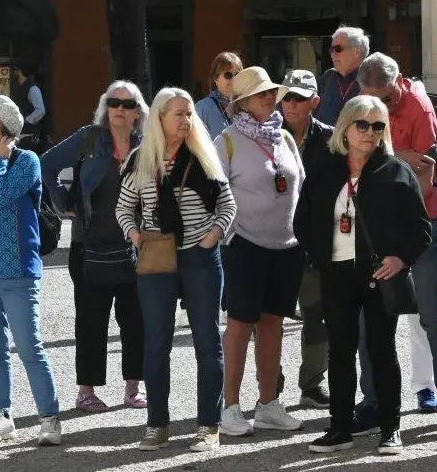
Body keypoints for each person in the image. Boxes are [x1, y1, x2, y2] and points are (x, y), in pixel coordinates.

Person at [294, 95, 432, 455]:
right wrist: (319, 257)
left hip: (379, 274)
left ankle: (390, 429)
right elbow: (302, 221)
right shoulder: (325, 171)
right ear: (346, 126)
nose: (371, 133)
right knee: (339, 351)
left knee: (382, 351)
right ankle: (340, 428)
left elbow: (420, 228)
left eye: (378, 126)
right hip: (336, 273)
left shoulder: (396, 171)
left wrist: (401, 259)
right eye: (363, 125)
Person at [117, 87, 235, 452]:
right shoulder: (140, 160)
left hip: (200, 257)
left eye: (189, 114)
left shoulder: (202, 155)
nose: (186, 120)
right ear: (159, 118)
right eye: (178, 114)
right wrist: (135, 236)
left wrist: (212, 237)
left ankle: (208, 426)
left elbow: (227, 204)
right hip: (157, 255)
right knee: (156, 343)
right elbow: (123, 207)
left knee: (207, 340)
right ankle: (157, 424)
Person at [358, 52, 437, 440]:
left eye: (385, 99)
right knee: (369, 320)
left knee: (433, 316)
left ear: (398, 82)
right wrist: (397, 156)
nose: (379, 107)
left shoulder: (418, 106)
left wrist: (387, 158)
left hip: (421, 223)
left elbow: (425, 172)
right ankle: (372, 404)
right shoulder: (363, 106)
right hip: (374, 229)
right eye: (371, 99)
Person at [41, 80, 148, 413]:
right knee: (90, 322)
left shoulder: (145, 146)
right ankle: (85, 391)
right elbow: (46, 165)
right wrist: (64, 202)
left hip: (133, 248)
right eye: (114, 102)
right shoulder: (90, 138)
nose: (120, 109)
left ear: (138, 113)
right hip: (88, 247)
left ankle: (133, 387)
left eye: (128, 105)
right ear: (106, 106)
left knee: (136, 320)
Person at [0, 93, 61, 446]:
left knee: (29, 347)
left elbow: (2, 198)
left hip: (18, 271)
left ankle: (49, 418)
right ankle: (1, 415)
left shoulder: (27, 161)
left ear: (2, 124)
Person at [215, 67, 307, 437]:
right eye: (260, 94)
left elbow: (300, 184)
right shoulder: (226, 141)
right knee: (239, 326)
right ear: (241, 103)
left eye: (271, 92)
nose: (270, 98)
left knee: (273, 324)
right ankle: (231, 407)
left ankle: (268, 404)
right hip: (245, 246)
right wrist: (231, 234)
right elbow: (216, 195)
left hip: (287, 246)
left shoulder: (284, 136)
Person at [279, 69, 332, 409]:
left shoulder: (331, 141)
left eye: (299, 98)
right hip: (273, 240)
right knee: (266, 318)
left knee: (317, 315)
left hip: (312, 244)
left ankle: (312, 385)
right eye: (287, 97)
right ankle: (269, 384)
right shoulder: (267, 135)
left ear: (315, 101)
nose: (291, 104)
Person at [315, 26, 369, 126]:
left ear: (356, 52)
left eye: (338, 48)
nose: (333, 54)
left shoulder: (371, 80)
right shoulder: (328, 77)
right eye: (331, 49)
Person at [195, 51, 243, 140]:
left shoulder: (248, 107)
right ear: (215, 79)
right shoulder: (202, 108)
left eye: (237, 74)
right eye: (228, 75)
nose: (234, 79)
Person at [10, 62, 47, 151]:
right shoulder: (18, 88)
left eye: (13, 70)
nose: (12, 73)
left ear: (19, 71)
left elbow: (40, 110)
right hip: (20, 134)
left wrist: (27, 120)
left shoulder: (32, 88)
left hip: (29, 135)